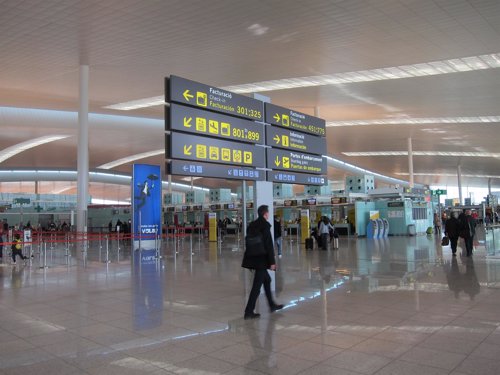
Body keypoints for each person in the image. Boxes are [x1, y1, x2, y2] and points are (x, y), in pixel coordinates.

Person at [242, 205, 283, 320]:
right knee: (256, 286)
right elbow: (269, 245)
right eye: (268, 213)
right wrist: (272, 262)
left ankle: (272, 305)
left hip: (253, 258)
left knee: (267, 280)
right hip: (262, 260)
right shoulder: (265, 226)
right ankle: (248, 311)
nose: (269, 214)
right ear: (265, 214)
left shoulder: (252, 225)